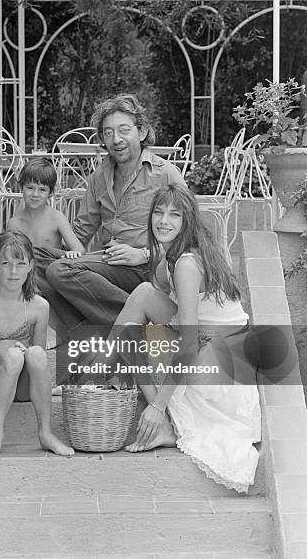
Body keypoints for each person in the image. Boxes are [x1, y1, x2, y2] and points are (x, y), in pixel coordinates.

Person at [95, 184, 261, 493]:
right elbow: (151, 296)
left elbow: (186, 347)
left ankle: (165, 423)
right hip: (213, 347)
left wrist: (157, 406)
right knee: (142, 297)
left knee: (134, 341)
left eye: (174, 215)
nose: (163, 221)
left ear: (188, 221)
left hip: (225, 367)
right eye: (158, 212)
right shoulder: (171, 258)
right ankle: (105, 372)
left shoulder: (187, 263)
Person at [34, 94, 186, 336]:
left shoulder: (165, 174)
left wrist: (143, 254)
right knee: (31, 255)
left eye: (124, 130)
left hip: (147, 267)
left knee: (59, 270)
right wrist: (56, 247)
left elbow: (190, 235)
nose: (116, 139)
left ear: (142, 131)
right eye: (108, 132)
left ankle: (135, 319)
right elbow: (82, 230)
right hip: (109, 264)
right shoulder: (99, 176)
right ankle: (102, 326)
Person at [0, 231, 74, 465]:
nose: (13, 272)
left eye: (20, 264)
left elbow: (39, 361)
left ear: (30, 267)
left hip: (23, 387)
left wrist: (22, 355)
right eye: (6, 263)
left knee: (35, 353)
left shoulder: (39, 307)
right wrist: (5, 356)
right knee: (14, 357)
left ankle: (45, 432)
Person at [7, 157, 85, 259]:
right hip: (27, 272)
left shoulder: (56, 218)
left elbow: (79, 249)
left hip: (52, 269)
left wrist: (73, 253)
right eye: (30, 188)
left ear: (51, 193)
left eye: (42, 190)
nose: (35, 194)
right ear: (21, 188)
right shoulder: (14, 223)